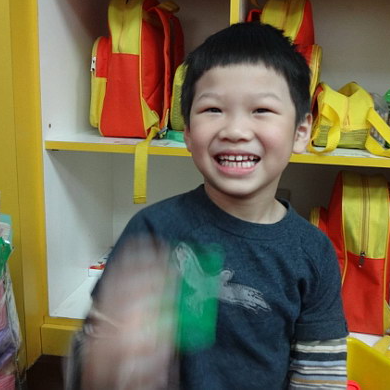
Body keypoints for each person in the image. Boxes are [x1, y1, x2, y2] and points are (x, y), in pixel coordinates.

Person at [66, 22, 348, 389]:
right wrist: (111, 356)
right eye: (213, 109)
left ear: (300, 132)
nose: (235, 130)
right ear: (187, 132)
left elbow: (319, 377)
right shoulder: (153, 230)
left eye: (261, 109)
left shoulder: (314, 252)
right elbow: (91, 359)